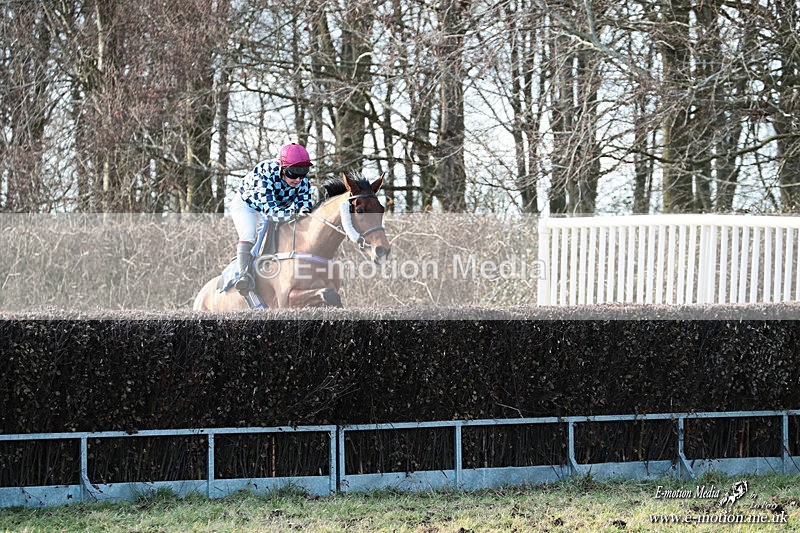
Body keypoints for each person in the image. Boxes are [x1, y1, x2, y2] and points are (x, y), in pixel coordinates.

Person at [231, 143, 313, 294]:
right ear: (282, 168)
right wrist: (294, 213)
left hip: (276, 209)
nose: (298, 179)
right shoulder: (266, 173)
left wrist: (304, 211)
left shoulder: (303, 182)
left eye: (303, 173)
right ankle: (243, 276)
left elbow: (305, 208)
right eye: (293, 173)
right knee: (249, 233)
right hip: (248, 207)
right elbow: (270, 213)